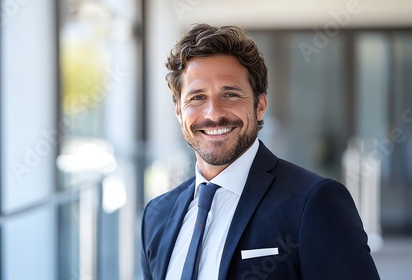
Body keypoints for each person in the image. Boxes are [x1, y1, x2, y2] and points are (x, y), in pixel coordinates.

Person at [141, 23, 380, 280]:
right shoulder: (157, 215)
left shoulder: (314, 202)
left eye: (230, 94)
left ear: (260, 105)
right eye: (197, 97)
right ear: (179, 112)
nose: (213, 113)